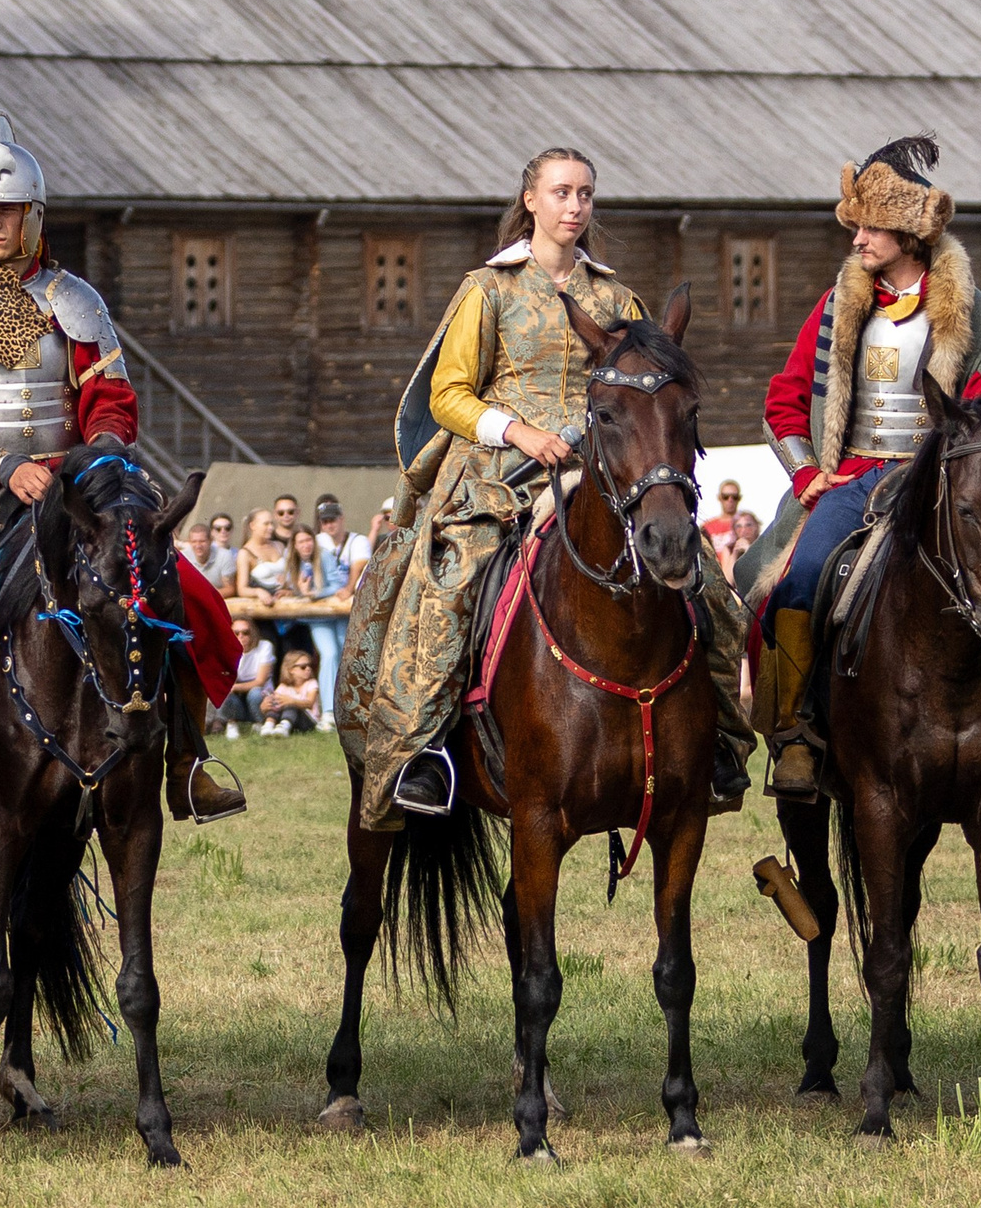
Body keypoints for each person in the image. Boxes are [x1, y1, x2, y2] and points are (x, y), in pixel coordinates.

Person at [0, 111, 245, 842]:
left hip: (79, 490)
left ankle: (186, 759)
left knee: (184, 593)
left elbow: (110, 398)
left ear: (33, 214)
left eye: (5, 210)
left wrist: (94, 451)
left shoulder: (77, 301)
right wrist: (7, 467)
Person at [345, 146, 755, 815]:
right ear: (531, 200)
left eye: (586, 193)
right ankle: (427, 752)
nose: (576, 205)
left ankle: (717, 746)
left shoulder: (617, 296)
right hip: (503, 470)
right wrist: (518, 431)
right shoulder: (490, 288)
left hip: (608, 465)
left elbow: (647, 388)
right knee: (448, 583)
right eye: (562, 192)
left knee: (702, 581)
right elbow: (449, 394)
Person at [734, 135, 981, 801]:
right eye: (854, 224)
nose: (857, 238)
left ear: (910, 231)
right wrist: (807, 475)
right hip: (852, 478)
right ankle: (797, 733)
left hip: (947, 485)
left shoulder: (975, 316)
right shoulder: (837, 307)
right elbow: (784, 400)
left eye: (871, 226)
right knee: (795, 576)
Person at [276, 525, 352, 728]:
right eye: (301, 542)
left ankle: (347, 708)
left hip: (335, 613)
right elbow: (295, 588)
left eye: (308, 540)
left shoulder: (324, 556)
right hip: (315, 618)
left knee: (344, 654)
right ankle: (328, 711)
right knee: (328, 654)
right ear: (295, 545)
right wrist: (294, 592)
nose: (306, 545)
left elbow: (338, 584)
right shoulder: (291, 562)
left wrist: (315, 593)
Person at [217, 613, 273, 736]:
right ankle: (232, 723)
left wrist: (235, 687)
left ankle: (260, 722)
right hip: (238, 699)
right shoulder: (225, 650)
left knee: (255, 693)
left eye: (245, 632)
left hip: (259, 696)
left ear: (252, 632)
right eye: (236, 633)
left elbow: (260, 681)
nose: (241, 636)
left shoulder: (265, 646)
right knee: (223, 693)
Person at [259, 650, 322, 735]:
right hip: (291, 720)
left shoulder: (311, 683)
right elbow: (275, 700)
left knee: (291, 705)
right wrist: (266, 705)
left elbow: (310, 703)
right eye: (303, 667)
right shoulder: (283, 686)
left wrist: (291, 701)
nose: (308, 669)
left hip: (308, 720)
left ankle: (284, 727)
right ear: (291, 670)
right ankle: (269, 724)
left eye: (310, 666)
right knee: (275, 702)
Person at [231, 507, 285, 604]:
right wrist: (258, 592)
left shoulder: (279, 546)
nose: (271, 527)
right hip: (262, 606)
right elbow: (242, 589)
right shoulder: (245, 554)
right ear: (253, 526)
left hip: (285, 601)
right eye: (266, 524)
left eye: (272, 523)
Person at [317, 499, 371, 591]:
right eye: (325, 522)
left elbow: (359, 567)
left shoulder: (359, 540)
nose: (329, 525)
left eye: (332, 520)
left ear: (341, 519)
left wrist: (348, 589)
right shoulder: (318, 540)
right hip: (327, 591)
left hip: (353, 593)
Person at [701, 480, 742, 569]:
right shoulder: (707, 526)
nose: (730, 500)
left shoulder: (745, 524)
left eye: (734, 497)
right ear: (719, 498)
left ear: (739, 498)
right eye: (725, 496)